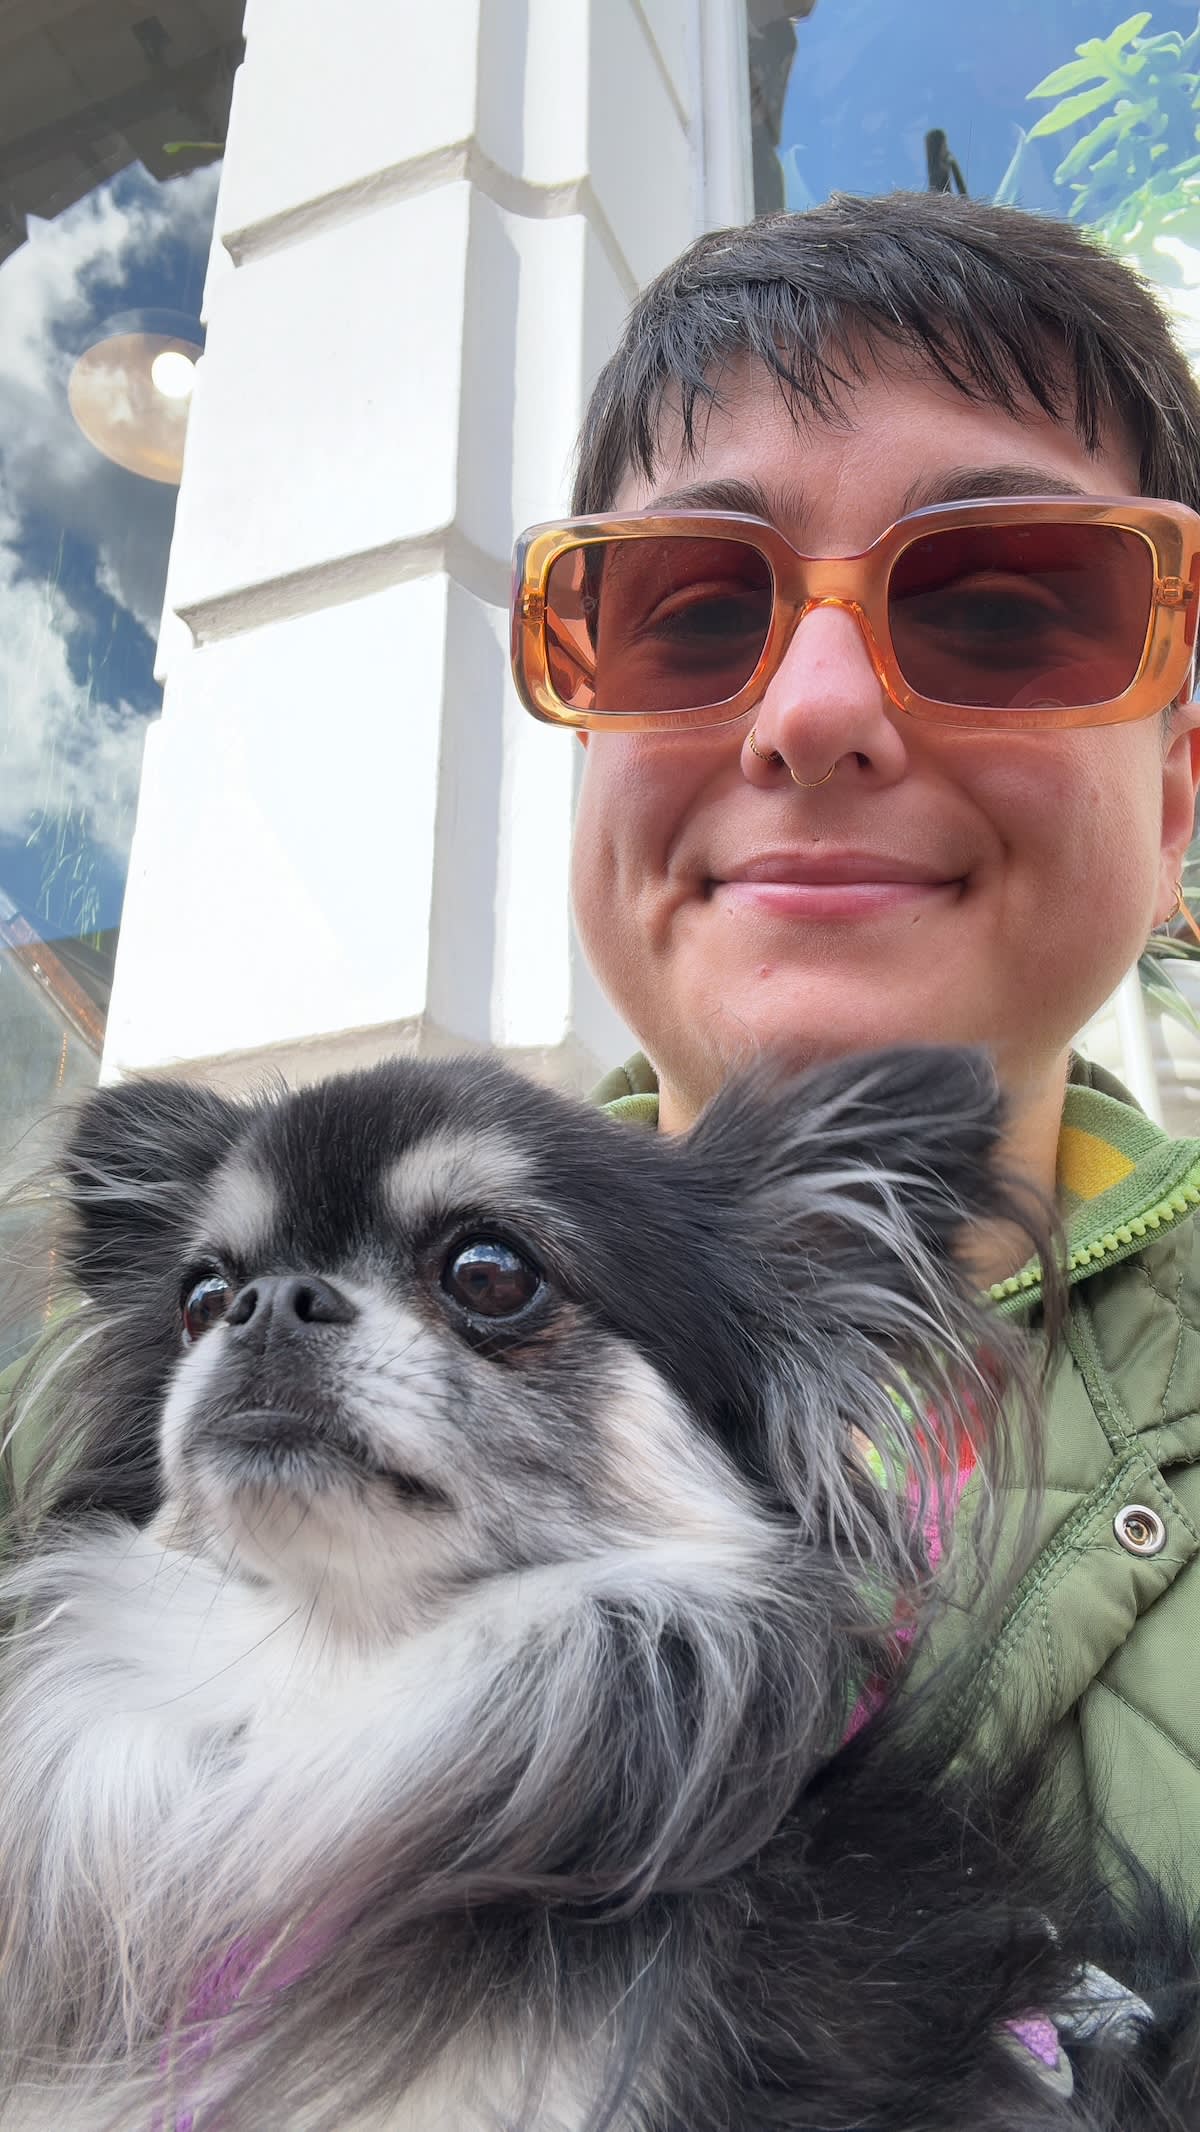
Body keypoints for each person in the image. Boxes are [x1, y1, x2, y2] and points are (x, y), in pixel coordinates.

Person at [509, 190, 1200, 1899]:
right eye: (684, 607)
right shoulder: (146, 1364)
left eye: (1003, 601)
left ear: (1177, 795)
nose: (814, 712)